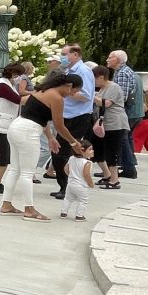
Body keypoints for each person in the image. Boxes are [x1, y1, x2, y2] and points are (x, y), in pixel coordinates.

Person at [0, 73, 83, 222]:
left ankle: (6, 204)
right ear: (69, 86)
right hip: (28, 131)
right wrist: (74, 143)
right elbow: (59, 125)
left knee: (15, 169)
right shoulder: (57, 98)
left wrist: (50, 138)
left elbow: (39, 116)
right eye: (73, 91)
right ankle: (29, 209)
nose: (71, 95)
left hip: (17, 126)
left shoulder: (43, 90)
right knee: (27, 172)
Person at [51, 44, 95, 200]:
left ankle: (68, 187)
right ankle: (64, 185)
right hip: (67, 115)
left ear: (75, 55)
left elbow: (87, 95)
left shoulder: (83, 71)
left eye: (65, 54)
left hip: (78, 116)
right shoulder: (68, 70)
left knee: (66, 151)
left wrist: (66, 92)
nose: (62, 57)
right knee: (58, 152)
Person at [0, 62, 26, 195]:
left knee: (5, 156)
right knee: (2, 155)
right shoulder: (2, 85)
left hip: (2, 125)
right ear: (13, 74)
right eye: (19, 75)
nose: (20, 78)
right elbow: (18, 100)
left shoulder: (8, 84)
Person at [91, 65, 128, 189]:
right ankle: (109, 176)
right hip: (106, 124)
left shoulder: (113, 87)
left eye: (94, 78)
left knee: (113, 151)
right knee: (104, 150)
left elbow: (106, 103)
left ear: (101, 77)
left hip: (115, 123)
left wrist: (90, 96)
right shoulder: (103, 88)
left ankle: (114, 180)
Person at [106, 49, 140, 179]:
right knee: (124, 139)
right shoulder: (122, 72)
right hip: (124, 111)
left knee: (123, 139)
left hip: (121, 111)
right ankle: (128, 167)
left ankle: (129, 168)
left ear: (118, 60)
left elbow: (121, 96)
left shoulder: (122, 74)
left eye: (110, 57)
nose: (107, 60)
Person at [60, 139, 95, 221]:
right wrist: (91, 183)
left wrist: (71, 175)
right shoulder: (87, 163)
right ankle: (79, 216)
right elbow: (86, 174)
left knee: (68, 198)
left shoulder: (71, 158)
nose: (92, 151)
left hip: (71, 184)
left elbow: (66, 168)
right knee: (83, 200)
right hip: (81, 186)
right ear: (82, 151)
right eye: (90, 149)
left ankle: (63, 212)